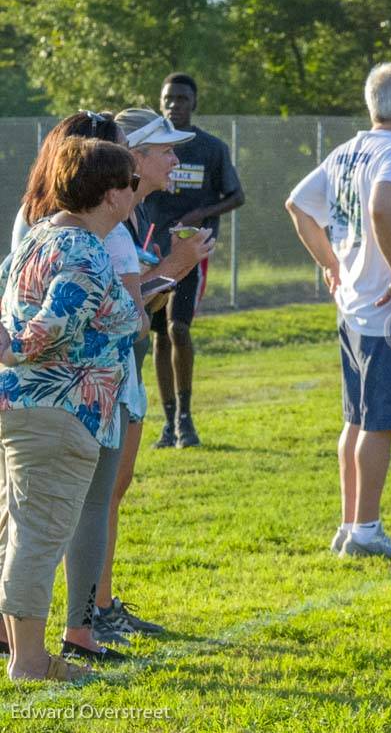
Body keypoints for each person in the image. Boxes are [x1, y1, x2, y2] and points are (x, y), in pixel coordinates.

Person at [286, 61, 391, 559]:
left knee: (357, 420)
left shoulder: (346, 151)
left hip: (355, 305)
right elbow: (381, 206)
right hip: (389, 310)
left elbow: (297, 205)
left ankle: (351, 524)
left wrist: (332, 264)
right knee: (378, 425)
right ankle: (366, 531)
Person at [0, 138, 146, 682]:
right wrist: (16, 347)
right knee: (38, 536)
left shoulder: (39, 236)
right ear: (109, 194)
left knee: (21, 530)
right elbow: (59, 315)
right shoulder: (85, 248)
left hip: (25, 406)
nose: (135, 194)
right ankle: (30, 662)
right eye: (131, 185)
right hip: (60, 413)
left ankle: (24, 654)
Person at [92, 108, 214, 644]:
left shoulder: (137, 216)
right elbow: (117, 303)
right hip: (97, 376)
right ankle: (86, 614)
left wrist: (170, 264)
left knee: (111, 494)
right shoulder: (108, 218)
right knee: (93, 497)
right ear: (133, 158)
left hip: (123, 368)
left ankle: (98, 605)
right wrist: (176, 265)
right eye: (164, 149)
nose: (176, 159)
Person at [145, 72, 245, 449]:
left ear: (194, 103)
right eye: (168, 99)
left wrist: (200, 213)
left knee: (178, 329)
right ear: (160, 102)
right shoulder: (149, 147)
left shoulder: (210, 148)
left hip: (192, 249)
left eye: (182, 99)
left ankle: (187, 419)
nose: (174, 106)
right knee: (157, 335)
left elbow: (237, 196)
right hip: (152, 251)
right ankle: (169, 423)